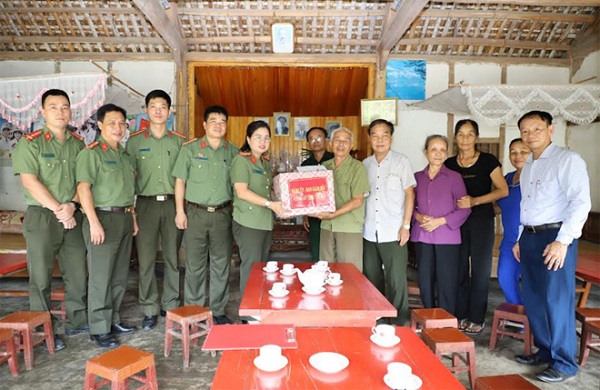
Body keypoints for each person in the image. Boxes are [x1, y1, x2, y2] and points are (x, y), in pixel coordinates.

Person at [513, 111, 590, 384]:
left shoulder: (567, 160)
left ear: (551, 130)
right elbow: (527, 205)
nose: (530, 134)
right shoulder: (529, 165)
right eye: (525, 130)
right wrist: (520, 238)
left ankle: (565, 362)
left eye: (536, 128)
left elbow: (580, 203)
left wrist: (563, 241)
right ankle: (545, 351)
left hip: (556, 237)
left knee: (557, 300)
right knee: (534, 297)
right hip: (531, 238)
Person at [12, 89, 88, 351]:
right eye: (53, 107)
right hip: (43, 217)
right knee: (41, 278)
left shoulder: (78, 144)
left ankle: (78, 321)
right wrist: (59, 209)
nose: (60, 111)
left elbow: (84, 181)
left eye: (65, 106)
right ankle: (42, 330)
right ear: (42, 112)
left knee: (78, 273)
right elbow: (29, 181)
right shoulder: (31, 143)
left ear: (70, 111)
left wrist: (73, 206)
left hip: (73, 216)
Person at [76, 103, 139, 348]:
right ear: (100, 125)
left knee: (119, 275)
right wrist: (93, 222)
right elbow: (83, 189)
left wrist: (132, 216)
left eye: (122, 123)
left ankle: (113, 320)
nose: (118, 127)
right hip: (101, 218)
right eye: (112, 122)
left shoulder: (123, 155)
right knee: (101, 276)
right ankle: (99, 328)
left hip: (123, 218)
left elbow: (126, 191)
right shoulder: (91, 153)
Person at [172, 105, 239, 325]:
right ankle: (195, 311)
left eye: (222, 121)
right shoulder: (190, 149)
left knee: (221, 264)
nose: (218, 125)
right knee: (195, 265)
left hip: (222, 214)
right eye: (213, 121)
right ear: (204, 124)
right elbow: (180, 180)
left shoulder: (233, 151)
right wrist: (180, 211)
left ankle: (218, 311)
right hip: (195, 214)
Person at [126, 90, 186, 331]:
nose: (159, 110)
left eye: (163, 106)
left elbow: (184, 178)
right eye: (153, 106)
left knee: (172, 257)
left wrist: (183, 209)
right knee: (147, 259)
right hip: (146, 204)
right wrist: (131, 210)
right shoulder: (135, 141)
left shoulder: (180, 141)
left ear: (170, 111)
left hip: (174, 204)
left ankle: (170, 304)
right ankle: (150, 307)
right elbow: (128, 177)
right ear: (147, 110)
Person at [445, 119, 508, 335]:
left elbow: (503, 190)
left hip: (481, 221)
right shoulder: (449, 164)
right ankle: (461, 314)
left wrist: (475, 201)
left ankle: (477, 317)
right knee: (459, 269)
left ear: (476, 137)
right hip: (457, 224)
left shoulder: (488, 161)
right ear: (455, 137)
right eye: (460, 134)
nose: (465, 139)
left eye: (469, 134)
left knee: (480, 271)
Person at [362, 119, 416, 325]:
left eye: (384, 135)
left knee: (396, 281)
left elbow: (409, 194)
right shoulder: (364, 165)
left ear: (391, 137)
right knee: (371, 279)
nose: (380, 139)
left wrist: (406, 225)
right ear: (369, 139)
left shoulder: (401, 162)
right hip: (368, 231)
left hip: (393, 231)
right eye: (375, 135)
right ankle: (377, 320)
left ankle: (399, 322)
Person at [411, 135, 471, 316]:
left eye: (442, 150)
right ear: (426, 152)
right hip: (422, 236)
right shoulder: (416, 178)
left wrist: (440, 221)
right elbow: (407, 206)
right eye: (433, 149)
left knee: (447, 282)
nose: (438, 154)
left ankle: (446, 321)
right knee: (425, 280)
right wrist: (419, 217)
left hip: (447, 236)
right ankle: (428, 318)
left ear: (447, 154)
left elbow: (465, 209)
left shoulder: (454, 177)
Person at [231, 121, 285, 296]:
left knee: (262, 267)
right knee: (251, 268)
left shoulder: (266, 163)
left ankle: (257, 307)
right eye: (258, 137)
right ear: (248, 139)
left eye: (267, 138)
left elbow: (268, 191)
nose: (263, 141)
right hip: (249, 223)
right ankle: (248, 316)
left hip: (264, 222)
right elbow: (242, 192)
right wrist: (271, 205)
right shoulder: (241, 161)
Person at [312, 127, 370, 271]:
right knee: (325, 270)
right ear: (330, 143)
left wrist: (334, 214)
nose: (341, 144)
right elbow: (316, 196)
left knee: (350, 272)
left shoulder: (358, 167)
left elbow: (358, 200)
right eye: (337, 140)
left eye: (346, 141)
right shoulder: (324, 167)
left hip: (348, 227)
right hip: (326, 226)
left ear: (351, 145)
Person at [496, 138, 530, 305]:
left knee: (533, 284)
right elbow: (499, 205)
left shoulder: (536, 178)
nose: (518, 156)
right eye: (513, 152)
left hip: (530, 238)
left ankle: (534, 321)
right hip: (509, 240)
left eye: (523, 151)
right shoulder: (507, 179)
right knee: (505, 277)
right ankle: (520, 314)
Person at [301, 126, 334, 262]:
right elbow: (303, 192)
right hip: (313, 215)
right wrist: (305, 216)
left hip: (333, 213)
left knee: (333, 250)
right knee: (316, 249)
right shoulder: (305, 164)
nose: (315, 141)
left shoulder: (334, 159)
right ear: (308, 142)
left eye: (319, 137)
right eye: (311, 139)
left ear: (326, 140)